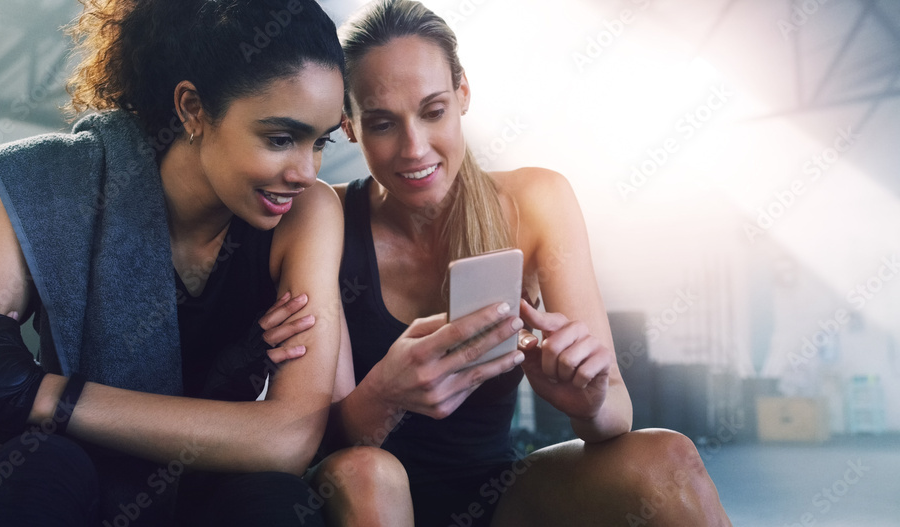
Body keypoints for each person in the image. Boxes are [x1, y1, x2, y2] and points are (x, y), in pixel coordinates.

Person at [0, 0, 346, 525]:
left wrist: (38, 395)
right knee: (41, 466)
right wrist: (226, 424)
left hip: (215, 497)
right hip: (79, 489)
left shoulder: (308, 211)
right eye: (280, 139)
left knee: (278, 502)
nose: (304, 170)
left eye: (320, 142)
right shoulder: (52, 185)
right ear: (193, 109)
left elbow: (286, 439)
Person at [310, 1, 734, 525]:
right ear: (348, 126)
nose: (414, 148)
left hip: (497, 496)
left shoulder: (536, 201)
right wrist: (384, 395)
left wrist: (586, 398)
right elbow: (320, 440)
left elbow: (614, 417)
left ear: (463, 94)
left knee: (668, 456)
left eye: (434, 111)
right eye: (381, 123)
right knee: (368, 474)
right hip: (362, 495)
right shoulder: (324, 217)